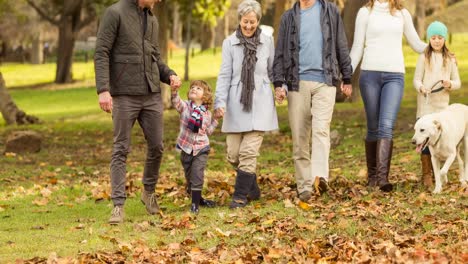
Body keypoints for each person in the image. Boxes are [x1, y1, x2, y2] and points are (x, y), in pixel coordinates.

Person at [94, 0, 181, 224]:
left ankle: (148, 191)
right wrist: (103, 90)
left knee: (157, 146)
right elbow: (101, 52)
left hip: (151, 94)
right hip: (123, 94)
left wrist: (169, 74)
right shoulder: (115, 13)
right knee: (121, 148)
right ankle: (118, 205)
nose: (158, 1)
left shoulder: (152, 18)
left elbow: (155, 57)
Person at [273, 0, 352, 202]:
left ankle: (320, 176)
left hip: (325, 81)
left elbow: (341, 44)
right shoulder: (288, 17)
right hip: (296, 83)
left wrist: (347, 77)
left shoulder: (330, 11)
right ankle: (304, 186)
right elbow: (280, 52)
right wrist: (279, 83)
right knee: (300, 137)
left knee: (321, 129)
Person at [350, 0, 426, 192]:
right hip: (369, 75)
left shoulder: (402, 14)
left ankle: (383, 179)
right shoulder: (365, 13)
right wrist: (345, 74)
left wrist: (437, 47)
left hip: (394, 76)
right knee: (373, 127)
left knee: (386, 126)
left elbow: (416, 44)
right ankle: (373, 176)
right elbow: (358, 47)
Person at [214, 0, 279, 209]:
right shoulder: (229, 43)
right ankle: (252, 187)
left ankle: (240, 196)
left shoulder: (267, 41)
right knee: (234, 154)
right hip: (235, 103)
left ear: (258, 21)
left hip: (260, 103)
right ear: (239, 21)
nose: (249, 26)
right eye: (245, 22)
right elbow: (224, 75)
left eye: (252, 22)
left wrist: (280, 87)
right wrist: (220, 102)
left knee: (248, 153)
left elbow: (273, 70)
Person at [413, 21, 461, 189]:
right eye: (433, 37)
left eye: (440, 37)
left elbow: (458, 82)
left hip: (442, 109)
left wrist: (450, 84)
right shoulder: (423, 58)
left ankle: (439, 172)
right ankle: (427, 174)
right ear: (429, 39)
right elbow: (416, 78)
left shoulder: (450, 59)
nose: (437, 41)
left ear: (445, 39)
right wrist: (421, 87)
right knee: (424, 139)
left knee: (440, 139)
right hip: (426, 106)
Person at [171, 80, 218, 214]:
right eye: (192, 87)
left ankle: (195, 205)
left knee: (197, 174)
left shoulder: (207, 114)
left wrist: (216, 120)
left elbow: (207, 131)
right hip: (186, 149)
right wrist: (174, 91)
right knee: (190, 178)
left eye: (198, 88)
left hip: (201, 148)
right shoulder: (185, 106)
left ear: (205, 96)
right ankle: (199, 199)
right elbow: (176, 102)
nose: (194, 89)